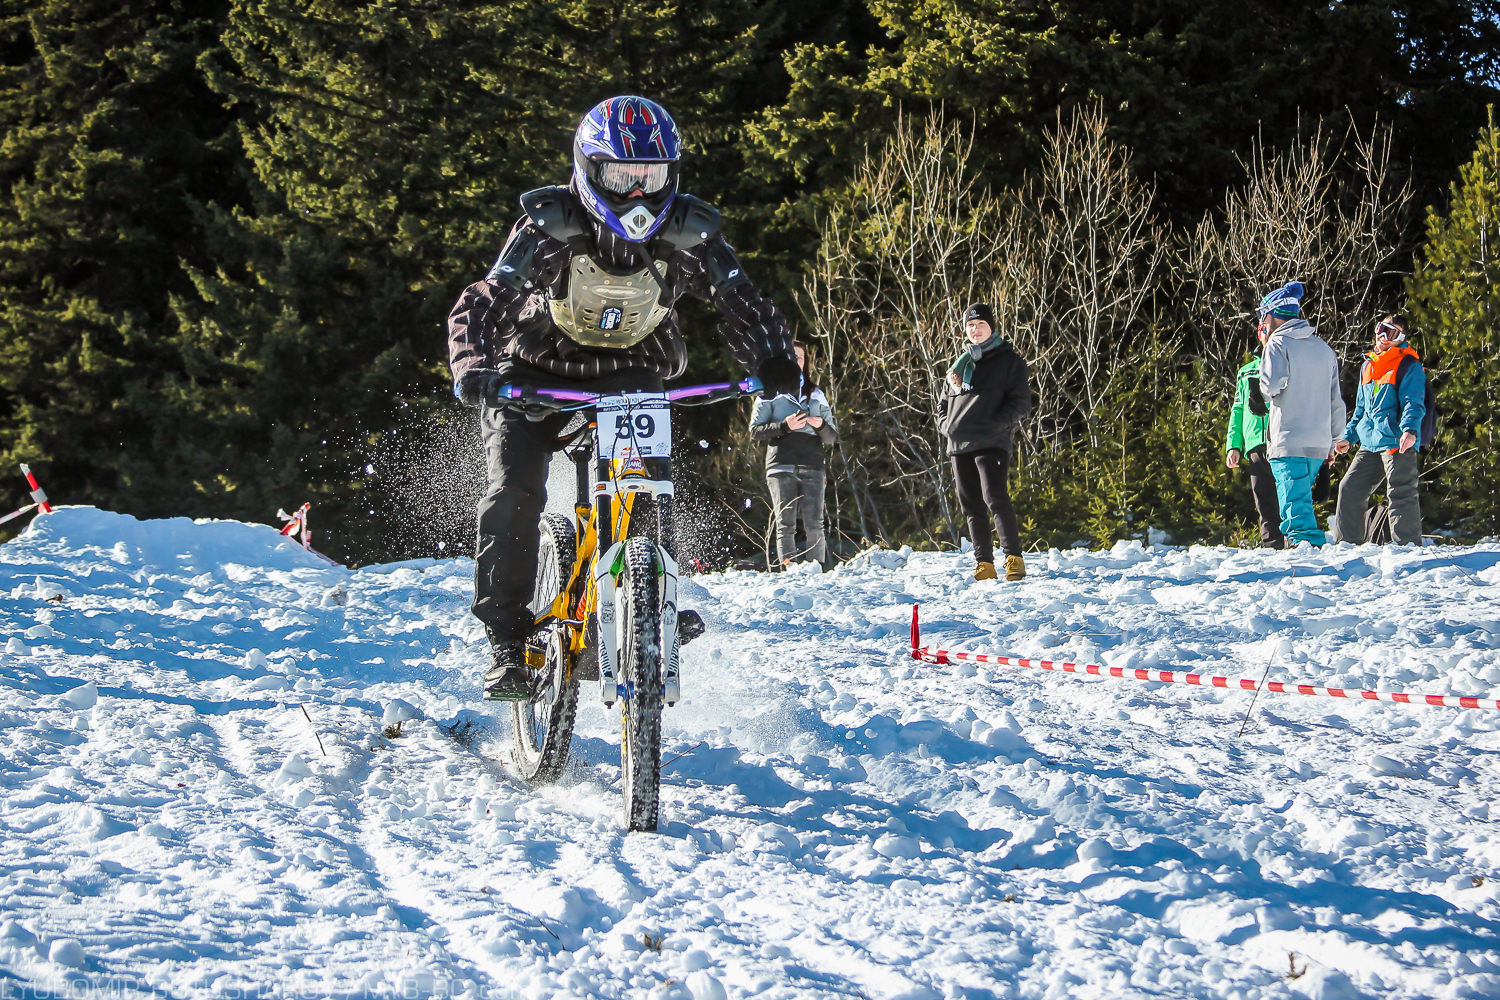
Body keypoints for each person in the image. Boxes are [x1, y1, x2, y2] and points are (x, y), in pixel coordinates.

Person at [446, 96, 798, 699]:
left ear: (672, 175)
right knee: (514, 491)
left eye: (650, 178)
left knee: (647, 487)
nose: (636, 194)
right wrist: (474, 365)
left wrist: (773, 362)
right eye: (620, 177)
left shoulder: (691, 233)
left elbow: (742, 301)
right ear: (589, 170)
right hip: (532, 374)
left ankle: (648, 600)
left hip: (631, 371)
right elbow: (486, 299)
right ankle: (507, 641)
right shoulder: (548, 226)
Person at [939, 303, 1032, 581]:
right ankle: (984, 563)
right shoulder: (958, 365)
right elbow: (941, 406)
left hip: (991, 441)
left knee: (995, 497)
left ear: (991, 327)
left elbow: (1021, 403)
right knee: (971, 506)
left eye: (980, 324)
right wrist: (947, 427)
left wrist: (997, 424)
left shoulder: (1008, 361)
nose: (975, 330)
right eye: (970, 325)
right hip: (959, 444)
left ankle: (1013, 558)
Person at [1254, 281, 1345, 547]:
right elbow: (1336, 401)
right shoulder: (1324, 349)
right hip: (1318, 443)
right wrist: (1333, 441)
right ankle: (1306, 549)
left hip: (1289, 439)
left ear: (1271, 315)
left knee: (1295, 511)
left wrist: (1260, 387)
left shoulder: (1277, 344)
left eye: (1262, 315)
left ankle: (1305, 553)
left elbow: (1271, 386)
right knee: (1300, 503)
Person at [1330, 315, 1426, 545]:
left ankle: (1406, 546)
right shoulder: (1368, 365)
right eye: (1381, 329)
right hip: (1370, 441)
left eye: (1391, 333)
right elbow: (1361, 409)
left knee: (1400, 492)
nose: (1383, 336)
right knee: (1349, 487)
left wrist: (1410, 430)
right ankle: (1346, 545)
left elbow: (1413, 402)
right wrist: (1348, 437)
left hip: (1396, 440)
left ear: (1401, 338)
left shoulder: (1408, 365)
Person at [749, 340, 838, 568]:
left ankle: (815, 571)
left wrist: (820, 426)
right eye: (792, 356)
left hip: (813, 464)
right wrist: (785, 426)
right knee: (785, 524)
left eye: (801, 357)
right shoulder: (768, 392)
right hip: (781, 464)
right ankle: (789, 572)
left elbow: (831, 437)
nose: (797, 361)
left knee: (815, 524)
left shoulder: (816, 394)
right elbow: (755, 431)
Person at [1225, 348, 1285, 549]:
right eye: (1265, 333)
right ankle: (1271, 546)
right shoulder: (1246, 371)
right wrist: (1234, 445)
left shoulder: (1287, 363)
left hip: (1281, 440)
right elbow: (1238, 408)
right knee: (1263, 499)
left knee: (1286, 495)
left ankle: (1293, 543)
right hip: (1254, 444)